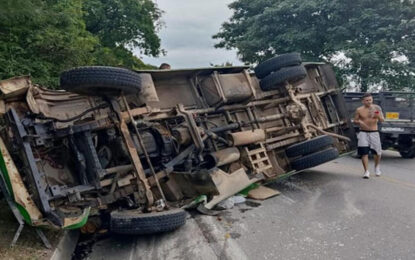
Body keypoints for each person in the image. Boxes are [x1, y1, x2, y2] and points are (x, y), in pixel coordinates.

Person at [353, 93, 385, 179]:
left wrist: (377, 114)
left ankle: (377, 167)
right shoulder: (359, 110)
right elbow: (355, 120)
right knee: (364, 152)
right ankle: (366, 171)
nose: (369, 102)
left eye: (370, 100)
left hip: (374, 132)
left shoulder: (376, 108)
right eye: (367, 100)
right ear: (363, 101)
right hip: (363, 133)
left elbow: (382, 119)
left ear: (372, 100)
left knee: (377, 153)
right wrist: (359, 122)